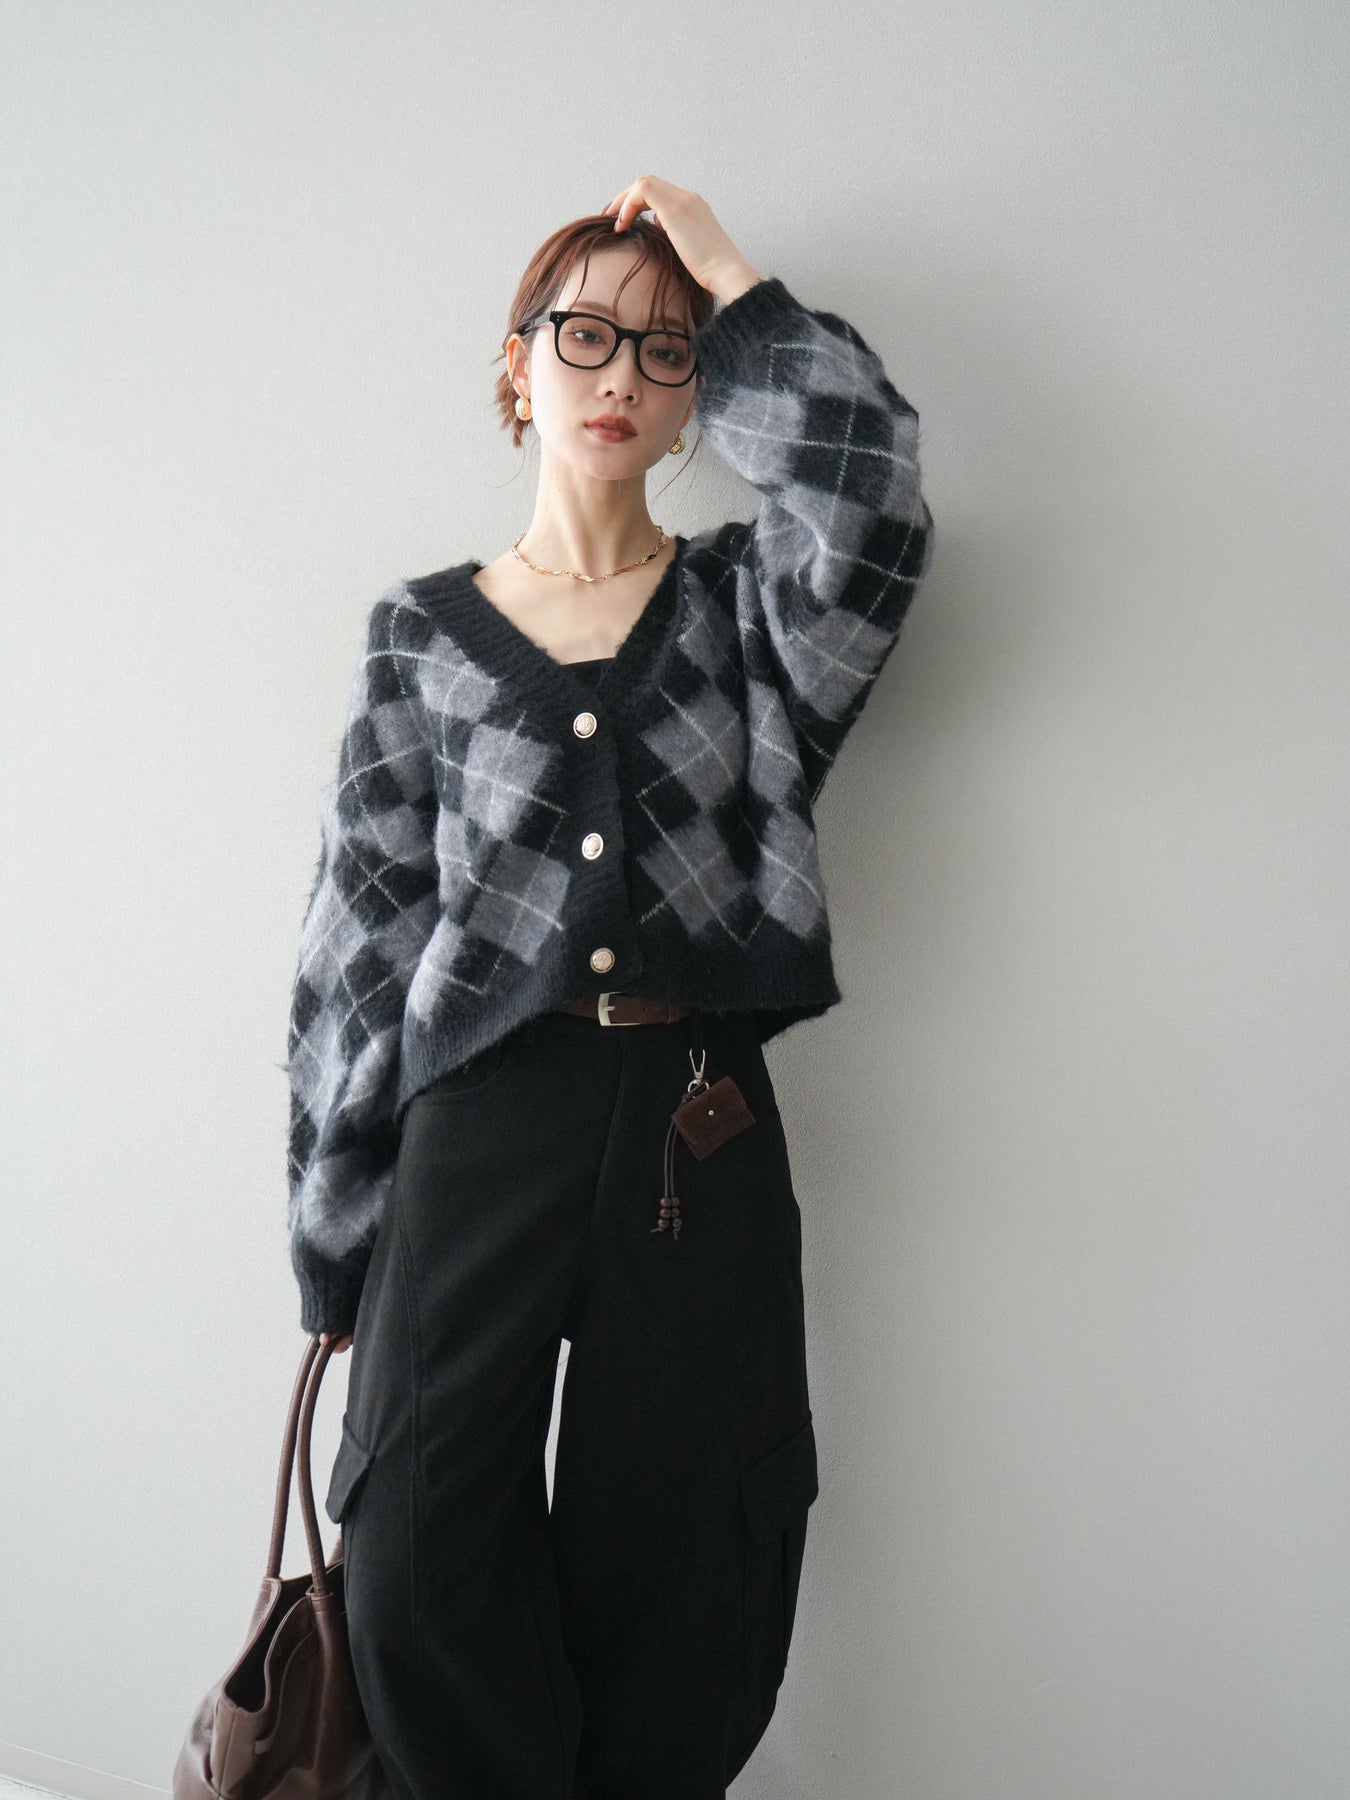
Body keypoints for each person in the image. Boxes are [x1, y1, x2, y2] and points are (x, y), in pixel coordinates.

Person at [284, 173, 935, 1800]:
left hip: (690, 1122)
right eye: (585, 335)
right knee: (416, 1526)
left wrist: (727, 274)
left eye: (664, 348)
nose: (621, 375)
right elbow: (358, 945)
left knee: (697, 1524)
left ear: (698, 393)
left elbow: (870, 501)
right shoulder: (421, 636)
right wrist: (334, 1235)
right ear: (518, 365)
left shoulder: (748, 614)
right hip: (474, 1123)